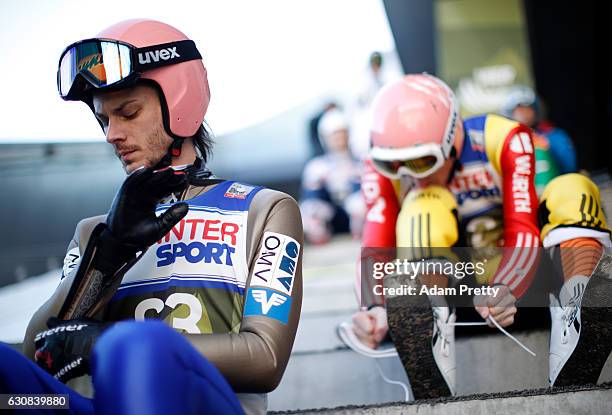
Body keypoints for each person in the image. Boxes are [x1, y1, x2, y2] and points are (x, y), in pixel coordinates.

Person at [0, 19, 303, 415]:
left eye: (127, 112)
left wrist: (100, 342)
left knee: (137, 345)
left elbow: (265, 358)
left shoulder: (265, 209)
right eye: (104, 119)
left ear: (180, 101)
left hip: (208, 404)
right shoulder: (95, 231)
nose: (112, 134)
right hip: (98, 408)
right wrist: (106, 258)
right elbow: (37, 356)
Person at [350, 74, 611, 399]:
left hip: (521, 283)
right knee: (422, 202)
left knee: (573, 188)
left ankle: (580, 310)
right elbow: (375, 245)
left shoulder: (502, 137)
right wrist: (373, 308)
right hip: (457, 290)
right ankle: (430, 321)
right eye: (392, 164)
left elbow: (523, 226)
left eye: (422, 160)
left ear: (453, 136)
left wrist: (505, 286)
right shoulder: (379, 169)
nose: (407, 173)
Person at [300, 109, 364, 244]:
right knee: (312, 209)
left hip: (355, 216)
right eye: (335, 135)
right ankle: (319, 239)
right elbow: (312, 198)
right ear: (325, 138)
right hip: (331, 216)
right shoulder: (316, 166)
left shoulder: (361, 162)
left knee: (359, 204)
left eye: (342, 134)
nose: (339, 139)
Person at [504, 85, 577, 194]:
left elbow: (570, 168)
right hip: (521, 200)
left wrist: (546, 148)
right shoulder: (504, 141)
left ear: (535, 111)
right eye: (519, 108)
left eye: (527, 108)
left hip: (555, 194)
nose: (523, 112)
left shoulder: (554, 136)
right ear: (510, 113)